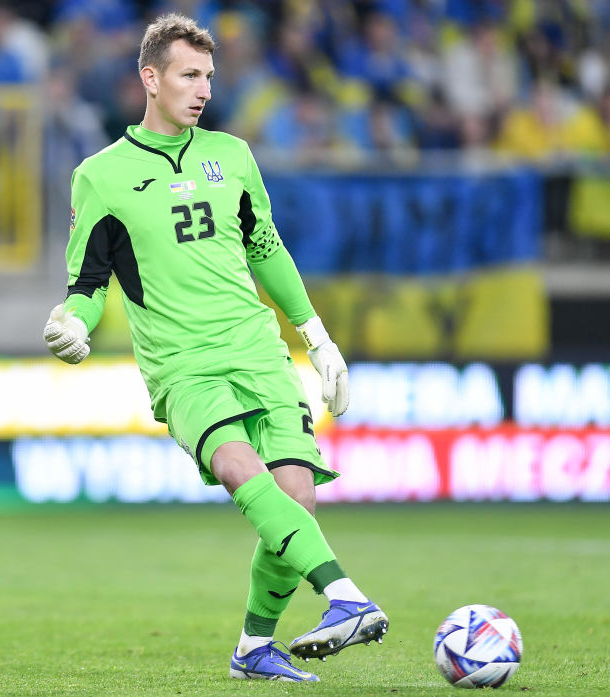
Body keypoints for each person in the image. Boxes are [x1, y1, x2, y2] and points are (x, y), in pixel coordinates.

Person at [43, 12, 388, 683]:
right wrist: (75, 325)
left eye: (208, 76)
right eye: (188, 75)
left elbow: (267, 248)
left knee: (296, 496)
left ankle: (254, 648)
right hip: (183, 365)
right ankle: (344, 594)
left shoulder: (232, 155)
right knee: (236, 466)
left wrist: (317, 339)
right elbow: (87, 283)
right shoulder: (101, 175)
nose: (202, 89)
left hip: (257, 350)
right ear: (151, 78)